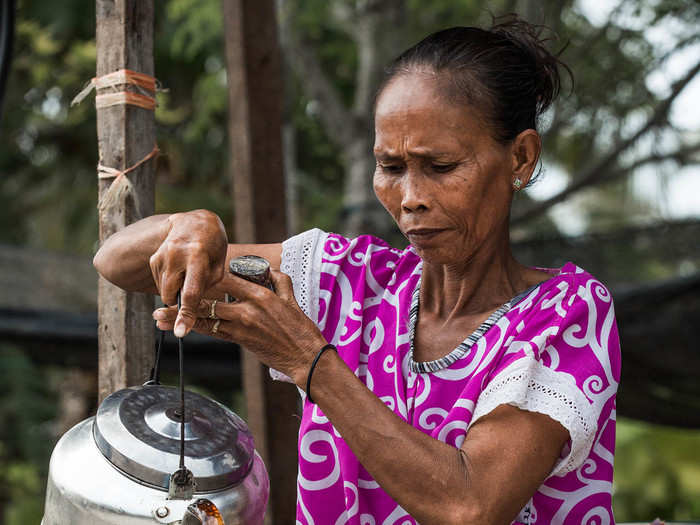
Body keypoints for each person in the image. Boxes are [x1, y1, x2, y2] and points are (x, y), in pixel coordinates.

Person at [94, 17, 621, 525]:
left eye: (440, 167)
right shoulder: (351, 281)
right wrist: (195, 226)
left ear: (521, 159)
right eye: (390, 167)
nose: (410, 198)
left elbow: (471, 507)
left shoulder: (565, 313)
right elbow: (117, 261)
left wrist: (310, 362)